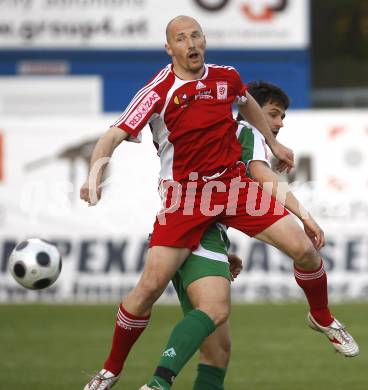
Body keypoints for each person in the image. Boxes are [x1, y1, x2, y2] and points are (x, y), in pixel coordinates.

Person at [80, 16, 358, 390]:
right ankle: (111, 369)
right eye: (181, 38)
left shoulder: (225, 77)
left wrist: (273, 143)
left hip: (231, 189)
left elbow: (246, 104)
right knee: (149, 287)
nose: (191, 43)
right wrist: (95, 172)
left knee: (303, 248)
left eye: (196, 36)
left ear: (204, 40)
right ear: (170, 48)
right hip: (186, 199)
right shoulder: (158, 91)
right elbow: (114, 134)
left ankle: (321, 316)